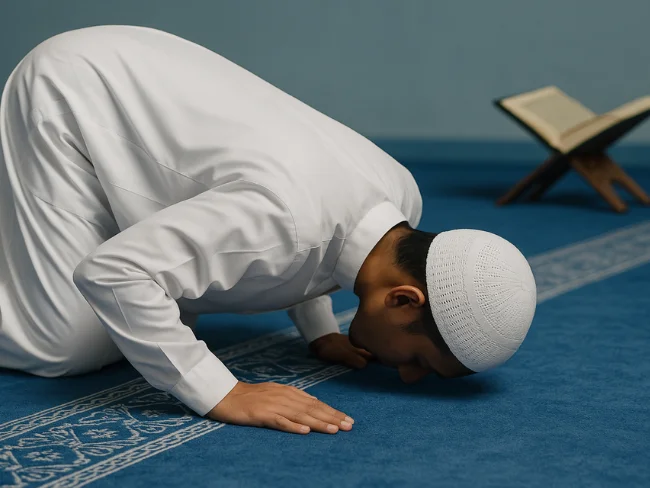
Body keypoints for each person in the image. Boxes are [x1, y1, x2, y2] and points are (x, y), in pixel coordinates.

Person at [0, 25, 537, 435]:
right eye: (420, 361)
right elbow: (113, 272)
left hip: (136, 68)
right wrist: (220, 392)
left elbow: (332, 243)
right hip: (71, 91)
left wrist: (320, 331)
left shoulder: (401, 199)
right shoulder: (283, 218)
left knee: (165, 309)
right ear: (403, 299)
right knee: (65, 345)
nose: (406, 375)